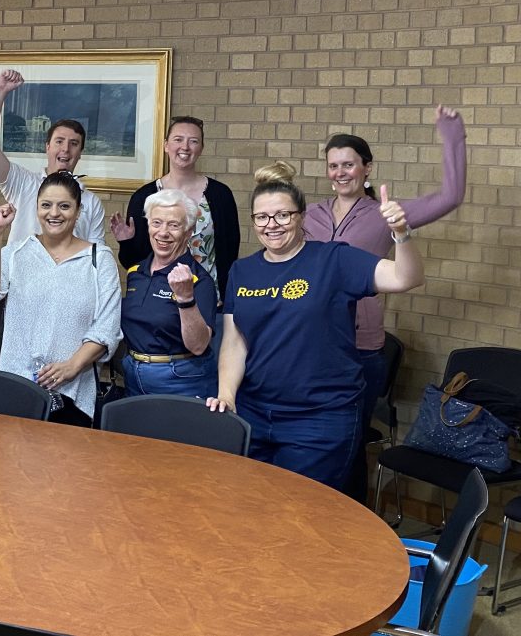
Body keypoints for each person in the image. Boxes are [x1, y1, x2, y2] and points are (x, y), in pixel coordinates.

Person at [206, 170, 424, 490]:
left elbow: (407, 278)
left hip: (319, 420)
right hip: (254, 414)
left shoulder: (334, 259)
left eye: (283, 215)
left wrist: (401, 234)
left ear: (302, 216)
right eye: (262, 217)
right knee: (249, 505)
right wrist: (227, 392)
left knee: (299, 513)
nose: (272, 224)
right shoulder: (243, 270)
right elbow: (235, 341)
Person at [302, 104, 467, 503]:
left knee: (349, 439)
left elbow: (451, 195)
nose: (340, 173)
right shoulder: (310, 214)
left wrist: (452, 136)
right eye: (333, 166)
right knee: (316, 437)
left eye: (349, 165)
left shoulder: (385, 212)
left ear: (367, 169)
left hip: (361, 348)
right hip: (314, 343)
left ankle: (351, 525)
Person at [0, 172, 121, 427]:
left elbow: (107, 328)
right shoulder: (18, 253)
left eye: (64, 206)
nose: (54, 213)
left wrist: (72, 366)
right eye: (46, 205)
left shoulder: (100, 260)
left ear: (78, 212)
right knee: (10, 463)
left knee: (63, 465)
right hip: (16, 388)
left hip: (72, 392)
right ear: (37, 209)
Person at [111, 116, 240, 304]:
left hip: (209, 302)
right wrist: (126, 243)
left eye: (193, 141)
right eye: (178, 139)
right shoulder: (144, 197)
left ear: (201, 148)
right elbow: (132, 263)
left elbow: (230, 253)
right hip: (156, 302)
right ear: (166, 145)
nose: (185, 147)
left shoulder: (221, 195)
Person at [0, 69, 106, 245]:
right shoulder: (23, 184)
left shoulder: (91, 202)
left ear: (80, 152)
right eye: (59, 141)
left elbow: (96, 256)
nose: (65, 149)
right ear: (47, 147)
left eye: (74, 144)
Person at [118, 189, 217, 398]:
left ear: (189, 231)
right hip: (132, 375)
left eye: (174, 225)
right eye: (156, 223)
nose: (163, 232)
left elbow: (199, 346)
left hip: (180, 380)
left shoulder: (199, 281)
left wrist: (185, 298)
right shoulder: (136, 272)